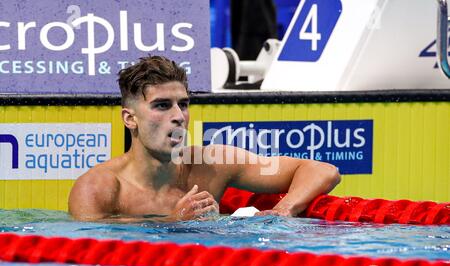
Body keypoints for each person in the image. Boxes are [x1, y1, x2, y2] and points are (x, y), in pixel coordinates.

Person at [68, 56, 341, 222]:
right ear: (130, 119)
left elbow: (322, 171)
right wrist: (173, 223)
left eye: (183, 105)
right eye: (162, 106)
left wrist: (284, 210)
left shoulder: (211, 164)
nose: (178, 116)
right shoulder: (98, 189)